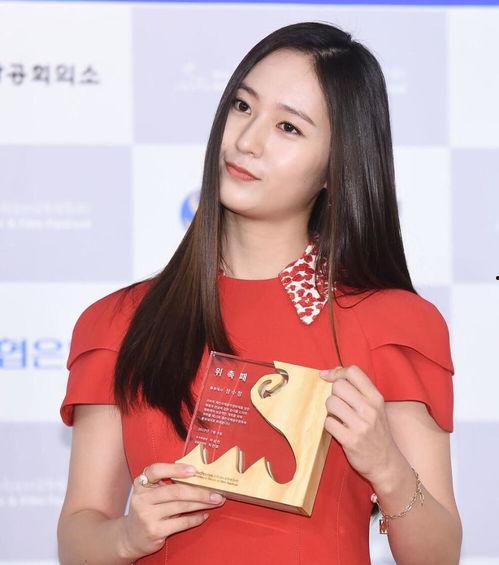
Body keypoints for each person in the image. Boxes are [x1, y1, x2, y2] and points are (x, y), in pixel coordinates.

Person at [57, 21, 462, 564]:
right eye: (243, 106)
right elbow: (78, 536)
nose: (247, 141)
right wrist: (127, 536)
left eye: (288, 127)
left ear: (336, 166)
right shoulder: (119, 323)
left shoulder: (394, 325)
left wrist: (387, 466)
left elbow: (438, 556)